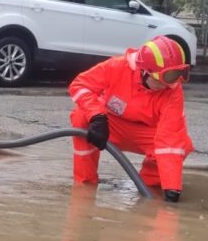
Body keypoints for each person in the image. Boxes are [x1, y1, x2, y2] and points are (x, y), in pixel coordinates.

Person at [68, 35, 194, 202]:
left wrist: (172, 188)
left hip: (146, 134)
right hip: (110, 126)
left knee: (182, 144)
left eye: (176, 75)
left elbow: (170, 139)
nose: (169, 84)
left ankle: (149, 186)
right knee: (80, 118)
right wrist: (97, 117)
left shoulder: (172, 90)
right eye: (164, 78)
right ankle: (85, 186)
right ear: (144, 71)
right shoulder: (116, 67)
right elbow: (80, 85)